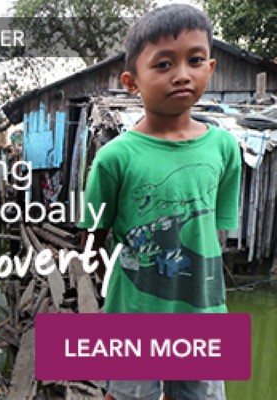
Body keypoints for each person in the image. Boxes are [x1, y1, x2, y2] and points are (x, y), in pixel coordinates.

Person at [79, 4, 241, 400]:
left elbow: (215, 236)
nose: (182, 74)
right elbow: (92, 243)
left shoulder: (224, 148)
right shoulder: (114, 158)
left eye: (195, 60)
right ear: (132, 82)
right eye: (164, 64)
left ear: (211, 68)